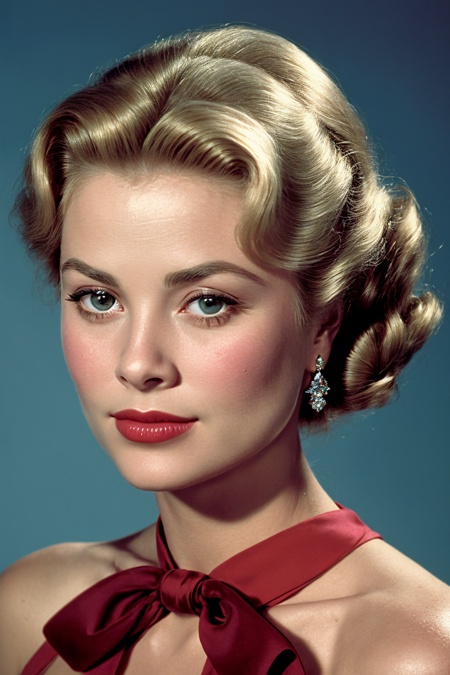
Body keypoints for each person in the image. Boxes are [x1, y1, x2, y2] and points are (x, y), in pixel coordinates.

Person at [1, 25, 449, 675]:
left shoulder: (409, 652)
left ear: (323, 323)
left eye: (208, 302)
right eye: (100, 298)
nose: (137, 363)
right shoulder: (30, 606)